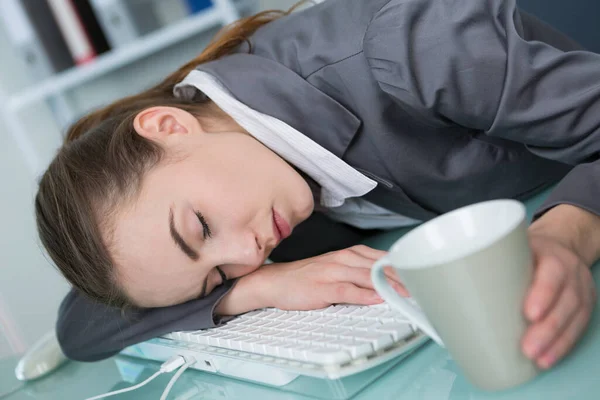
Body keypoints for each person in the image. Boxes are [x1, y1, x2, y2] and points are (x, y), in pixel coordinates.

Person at [36, 0, 599, 371]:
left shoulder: (406, 52)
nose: (249, 254)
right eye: (216, 274)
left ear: (169, 126)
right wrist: (258, 289)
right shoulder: (251, 176)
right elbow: (78, 328)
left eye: (201, 227)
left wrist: (567, 235)